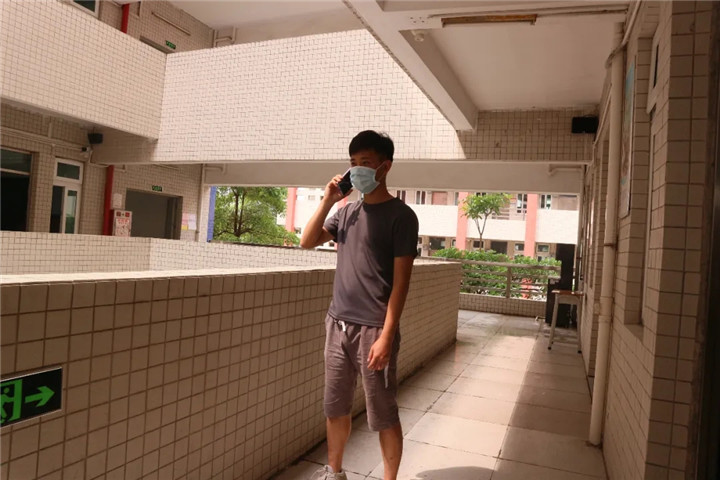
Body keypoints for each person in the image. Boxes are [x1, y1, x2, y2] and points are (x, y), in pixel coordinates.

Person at [301, 131, 419, 480]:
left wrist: (387, 335)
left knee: (382, 413)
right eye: (352, 163)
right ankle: (334, 472)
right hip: (337, 323)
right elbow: (307, 241)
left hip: (374, 329)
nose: (356, 170)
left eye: (365, 163)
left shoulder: (401, 216)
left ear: (385, 167)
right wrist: (328, 199)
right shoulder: (346, 212)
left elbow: (401, 283)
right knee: (335, 407)